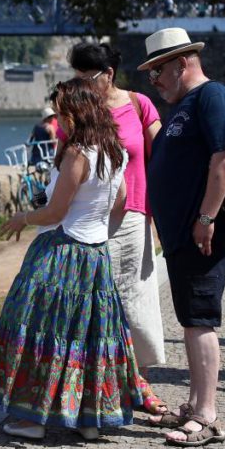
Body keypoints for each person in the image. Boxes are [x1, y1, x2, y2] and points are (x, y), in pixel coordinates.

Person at [0, 78, 161, 442]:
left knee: (43, 332)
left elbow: (56, 212)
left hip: (64, 253)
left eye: (63, 113)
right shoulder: (115, 151)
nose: (59, 120)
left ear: (79, 112)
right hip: (96, 255)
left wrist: (22, 218)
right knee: (89, 337)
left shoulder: (78, 153)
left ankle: (33, 419)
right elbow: (120, 200)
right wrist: (95, 216)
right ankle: (89, 419)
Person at [138, 27, 225, 446]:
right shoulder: (186, 103)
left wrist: (206, 217)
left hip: (202, 235)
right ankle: (194, 402)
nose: (154, 81)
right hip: (184, 235)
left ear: (181, 63)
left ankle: (206, 415)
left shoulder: (212, 96)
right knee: (190, 320)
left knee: (201, 321)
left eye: (157, 72)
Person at [64, 42, 166, 375]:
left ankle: (138, 379)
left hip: (134, 214)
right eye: (75, 76)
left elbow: (162, 157)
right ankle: (97, 379)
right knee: (93, 303)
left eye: (87, 76)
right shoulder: (80, 110)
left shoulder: (139, 104)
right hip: (90, 218)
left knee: (135, 301)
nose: (80, 83)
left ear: (108, 75)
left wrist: (160, 215)